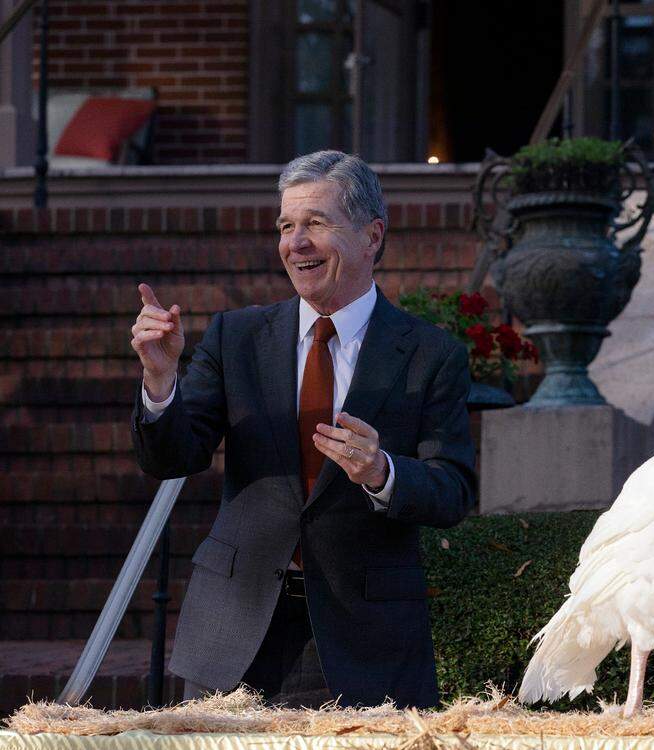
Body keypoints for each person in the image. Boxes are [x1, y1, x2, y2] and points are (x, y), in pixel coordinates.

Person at [130, 150, 476, 708]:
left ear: (371, 235)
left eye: (317, 223)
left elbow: (454, 490)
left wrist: (383, 472)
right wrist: (159, 377)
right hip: (233, 634)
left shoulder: (431, 355)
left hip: (363, 644)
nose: (296, 242)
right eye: (287, 226)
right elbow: (171, 458)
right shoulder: (235, 338)